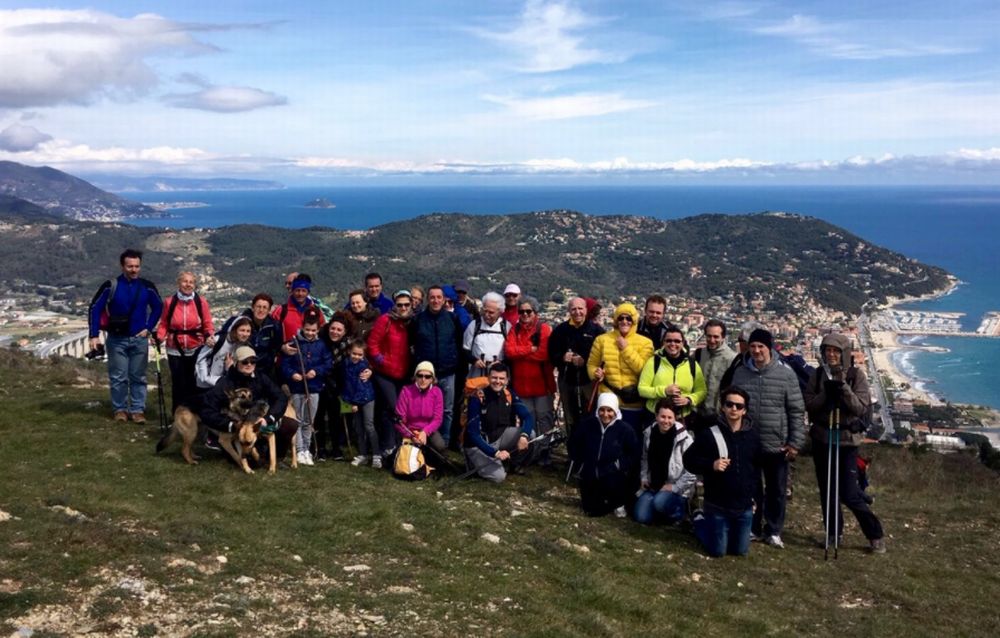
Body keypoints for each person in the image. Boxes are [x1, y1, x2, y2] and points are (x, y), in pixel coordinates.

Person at [804, 333, 886, 553]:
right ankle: (833, 534)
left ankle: (875, 534)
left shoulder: (855, 375)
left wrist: (843, 389)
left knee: (849, 493)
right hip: (823, 438)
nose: (831, 354)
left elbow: (861, 407)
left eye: (835, 351)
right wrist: (826, 395)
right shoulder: (818, 374)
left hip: (847, 442)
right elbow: (810, 405)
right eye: (827, 350)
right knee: (827, 490)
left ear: (844, 353)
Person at [727, 328, 805, 549]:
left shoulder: (786, 374)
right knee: (751, 488)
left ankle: (773, 530)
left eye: (761, 346)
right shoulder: (741, 372)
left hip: (776, 442)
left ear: (769, 347)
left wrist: (795, 441)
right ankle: (752, 527)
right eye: (752, 346)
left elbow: (796, 410)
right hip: (748, 441)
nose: (756, 350)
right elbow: (731, 405)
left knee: (776, 490)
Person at [683, 387, 762, 558]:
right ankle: (699, 520)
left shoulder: (753, 437)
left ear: (744, 410)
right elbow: (688, 460)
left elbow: (756, 470)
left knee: (740, 552)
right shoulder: (709, 434)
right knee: (717, 552)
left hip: (743, 506)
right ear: (723, 407)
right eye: (729, 404)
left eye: (738, 406)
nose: (734, 409)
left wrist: (754, 498)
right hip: (717, 505)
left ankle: (726, 531)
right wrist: (711, 464)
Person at [87, 248, 163, 423]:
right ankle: (119, 409)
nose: (134, 270)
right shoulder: (111, 285)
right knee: (118, 376)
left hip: (139, 339)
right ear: (122, 266)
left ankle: (137, 410)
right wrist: (94, 335)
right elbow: (95, 308)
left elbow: (158, 307)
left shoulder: (147, 286)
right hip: (116, 339)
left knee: (138, 376)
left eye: (137, 266)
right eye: (130, 266)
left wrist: (148, 327)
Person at [199, 345, 297, 464]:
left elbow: (280, 397)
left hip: (256, 422)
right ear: (236, 363)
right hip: (235, 428)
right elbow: (206, 410)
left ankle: (277, 458)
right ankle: (240, 453)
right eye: (245, 361)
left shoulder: (261, 377)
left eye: (253, 361)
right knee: (252, 463)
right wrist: (230, 424)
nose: (249, 364)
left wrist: (269, 418)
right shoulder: (225, 383)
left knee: (290, 425)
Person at [567, 392, 640, 517]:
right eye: (602, 410)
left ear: (615, 411)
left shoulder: (625, 430)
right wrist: (581, 465)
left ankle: (618, 503)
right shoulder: (587, 424)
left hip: (613, 474)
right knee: (592, 510)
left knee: (613, 497)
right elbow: (573, 444)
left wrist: (619, 465)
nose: (605, 414)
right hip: (590, 473)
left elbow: (634, 454)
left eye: (609, 410)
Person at [586, 303, 654, 431]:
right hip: (608, 400)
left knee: (631, 438)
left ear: (634, 321)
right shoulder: (602, 340)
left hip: (633, 401)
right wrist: (595, 373)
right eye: (621, 318)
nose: (624, 321)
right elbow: (591, 364)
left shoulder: (646, 343)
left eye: (628, 318)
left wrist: (625, 349)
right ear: (616, 320)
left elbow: (644, 370)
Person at [462, 363, 535, 482]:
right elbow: (473, 433)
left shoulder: (509, 394)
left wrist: (524, 436)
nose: (497, 381)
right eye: (494, 378)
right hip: (478, 444)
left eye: (501, 378)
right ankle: (473, 462)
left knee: (530, 434)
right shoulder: (478, 397)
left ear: (507, 380)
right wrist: (495, 453)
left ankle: (515, 464)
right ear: (488, 378)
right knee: (499, 477)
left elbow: (527, 416)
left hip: (499, 436)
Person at [410, 285, 464, 445]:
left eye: (439, 297)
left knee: (447, 410)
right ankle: (425, 441)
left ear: (444, 299)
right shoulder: (418, 320)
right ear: (428, 299)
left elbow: (459, 343)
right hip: (425, 375)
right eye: (432, 297)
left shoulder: (452, 319)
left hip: (447, 372)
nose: (435, 300)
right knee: (423, 410)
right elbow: (412, 343)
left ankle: (444, 442)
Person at [156, 271, 215, 414]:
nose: (188, 285)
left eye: (191, 282)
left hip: (196, 346)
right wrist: (159, 336)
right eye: (185, 281)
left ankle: (193, 413)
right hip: (174, 347)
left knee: (193, 382)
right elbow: (164, 323)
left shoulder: (201, 302)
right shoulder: (170, 302)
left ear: (194, 285)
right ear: (179, 283)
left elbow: (207, 323)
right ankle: (177, 413)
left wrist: (209, 336)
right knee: (178, 383)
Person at [280, 309, 333, 466]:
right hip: (297, 388)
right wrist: (292, 374)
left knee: (309, 420)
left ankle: (306, 449)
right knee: (298, 419)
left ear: (318, 330)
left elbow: (328, 363)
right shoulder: (293, 342)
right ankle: (299, 449)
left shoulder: (321, 345)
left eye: (313, 330)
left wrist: (316, 371)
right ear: (302, 327)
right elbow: (285, 364)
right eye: (307, 330)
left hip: (314, 387)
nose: (310, 333)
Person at [504, 295, 556, 453]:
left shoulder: (543, 329)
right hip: (522, 386)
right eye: (521, 312)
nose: (524, 315)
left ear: (535, 312)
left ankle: (545, 451)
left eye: (528, 311)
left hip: (541, 385)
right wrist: (529, 349)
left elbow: (543, 354)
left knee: (545, 419)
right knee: (529, 420)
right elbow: (508, 351)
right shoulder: (515, 329)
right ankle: (532, 451)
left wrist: (520, 351)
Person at [368, 290, 414, 457]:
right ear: (395, 305)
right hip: (385, 372)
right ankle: (388, 445)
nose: (403, 308)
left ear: (411, 305)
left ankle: (398, 443)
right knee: (393, 408)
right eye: (400, 305)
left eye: (406, 305)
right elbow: (372, 343)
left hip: (405, 373)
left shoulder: (412, 322)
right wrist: (382, 360)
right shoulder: (385, 320)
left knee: (400, 410)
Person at [634, 400, 696, 525]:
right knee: (641, 517)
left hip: (675, 487)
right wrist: (644, 477)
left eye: (669, 417)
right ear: (656, 416)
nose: (666, 421)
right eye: (662, 417)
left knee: (659, 503)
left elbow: (693, 470)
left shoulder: (685, 438)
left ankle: (678, 514)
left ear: (675, 418)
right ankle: (659, 512)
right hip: (654, 484)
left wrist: (675, 487)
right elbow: (644, 458)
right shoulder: (649, 433)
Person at [548, 297, 602, 432]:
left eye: (580, 309)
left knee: (590, 416)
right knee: (570, 417)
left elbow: (604, 356)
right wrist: (562, 357)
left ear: (586, 310)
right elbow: (551, 354)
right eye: (574, 309)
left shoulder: (596, 331)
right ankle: (572, 448)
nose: (577, 312)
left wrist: (586, 361)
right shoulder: (560, 330)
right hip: (567, 380)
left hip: (588, 381)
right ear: (569, 311)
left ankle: (589, 449)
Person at [638, 324, 707, 430]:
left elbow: (701, 390)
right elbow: (642, 389)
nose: (672, 344)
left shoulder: (692, 364)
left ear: (683, 343)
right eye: (669, 341)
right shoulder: (654, 362)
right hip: (655, 417)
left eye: (677, 341)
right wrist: (664, 391)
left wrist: (689, 399)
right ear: (663, 343)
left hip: (682, 417)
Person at [314, 312, 355, 460]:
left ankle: (336, 448)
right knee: (318, 415)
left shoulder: (347, 346)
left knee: (335, 417)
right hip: (320, 382)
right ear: (328, 327)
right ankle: (320, 447)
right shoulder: (320, 342)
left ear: (344, 332)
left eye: (339, 330)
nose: (335, 332)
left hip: (338, 384)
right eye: (333, 328)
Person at [218, 293, 282, 382]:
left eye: (264, 307)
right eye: (258, 307)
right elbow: (223, 336)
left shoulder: (273, 326)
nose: (261, 310)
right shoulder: (240, 321)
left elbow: (277, 346)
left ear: (269, 310)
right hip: (242, 368)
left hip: (265, 370)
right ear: (253, 307)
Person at [394, 361, 448, 462]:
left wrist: (424, 432)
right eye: (420, 375)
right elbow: (399, 420)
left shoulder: (437, 392)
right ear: (415, 377)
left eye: (427, 377)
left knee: (440, 446)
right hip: (409, 430)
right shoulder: (406, 391)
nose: (423, 379)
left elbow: (437, 419)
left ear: (432, 379)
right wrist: (411, 435)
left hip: (428, 429)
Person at [342, 341, 380, 469]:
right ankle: (363, 454)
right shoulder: (346, 364)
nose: (356, 357)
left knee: (369, 425)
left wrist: (354, 403)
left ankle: (376, 454)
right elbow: (347, 385)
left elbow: (360, 386)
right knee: (358, 428)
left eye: (359, 354)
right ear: (349, 352)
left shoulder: (363, 366)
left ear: (363, 355)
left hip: (366, 398)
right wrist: (348, 401)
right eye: (354, 353)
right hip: (354, 400)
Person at [693, 319, 737, 425]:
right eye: (709, 336)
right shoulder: (698, 354)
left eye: (716, 337)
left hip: (720, 417)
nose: (712, 340)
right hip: (697, 415)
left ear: (723, 337)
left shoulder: (733, 359)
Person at [196, 315, 252, 391]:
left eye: (248, 331)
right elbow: (200, 358)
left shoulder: (241, 344)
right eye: (242, 330)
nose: (245, 334)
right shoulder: (217, 340)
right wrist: (205, 378)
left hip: (222, 383)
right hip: (205, 384)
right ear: (234, 330)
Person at [463, 291, 510, 378]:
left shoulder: (506, 326)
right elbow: (465, 350)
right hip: (477, 374)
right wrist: (474, 361)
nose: (486, 315)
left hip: (498, 375)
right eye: (485, 311)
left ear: (500, 312)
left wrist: (502, 362)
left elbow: (511, 353)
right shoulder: (475, 324)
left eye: (491, 312)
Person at [273, 273, 326, 344]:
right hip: (286, 353)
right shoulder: (281, 311)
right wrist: (281, 347)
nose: (300, 294)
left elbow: (323, 333)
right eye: (297, 290)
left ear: (308, 292)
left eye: (303, 291)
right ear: (292, 291)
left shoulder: (316, 311)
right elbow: (271, 335)